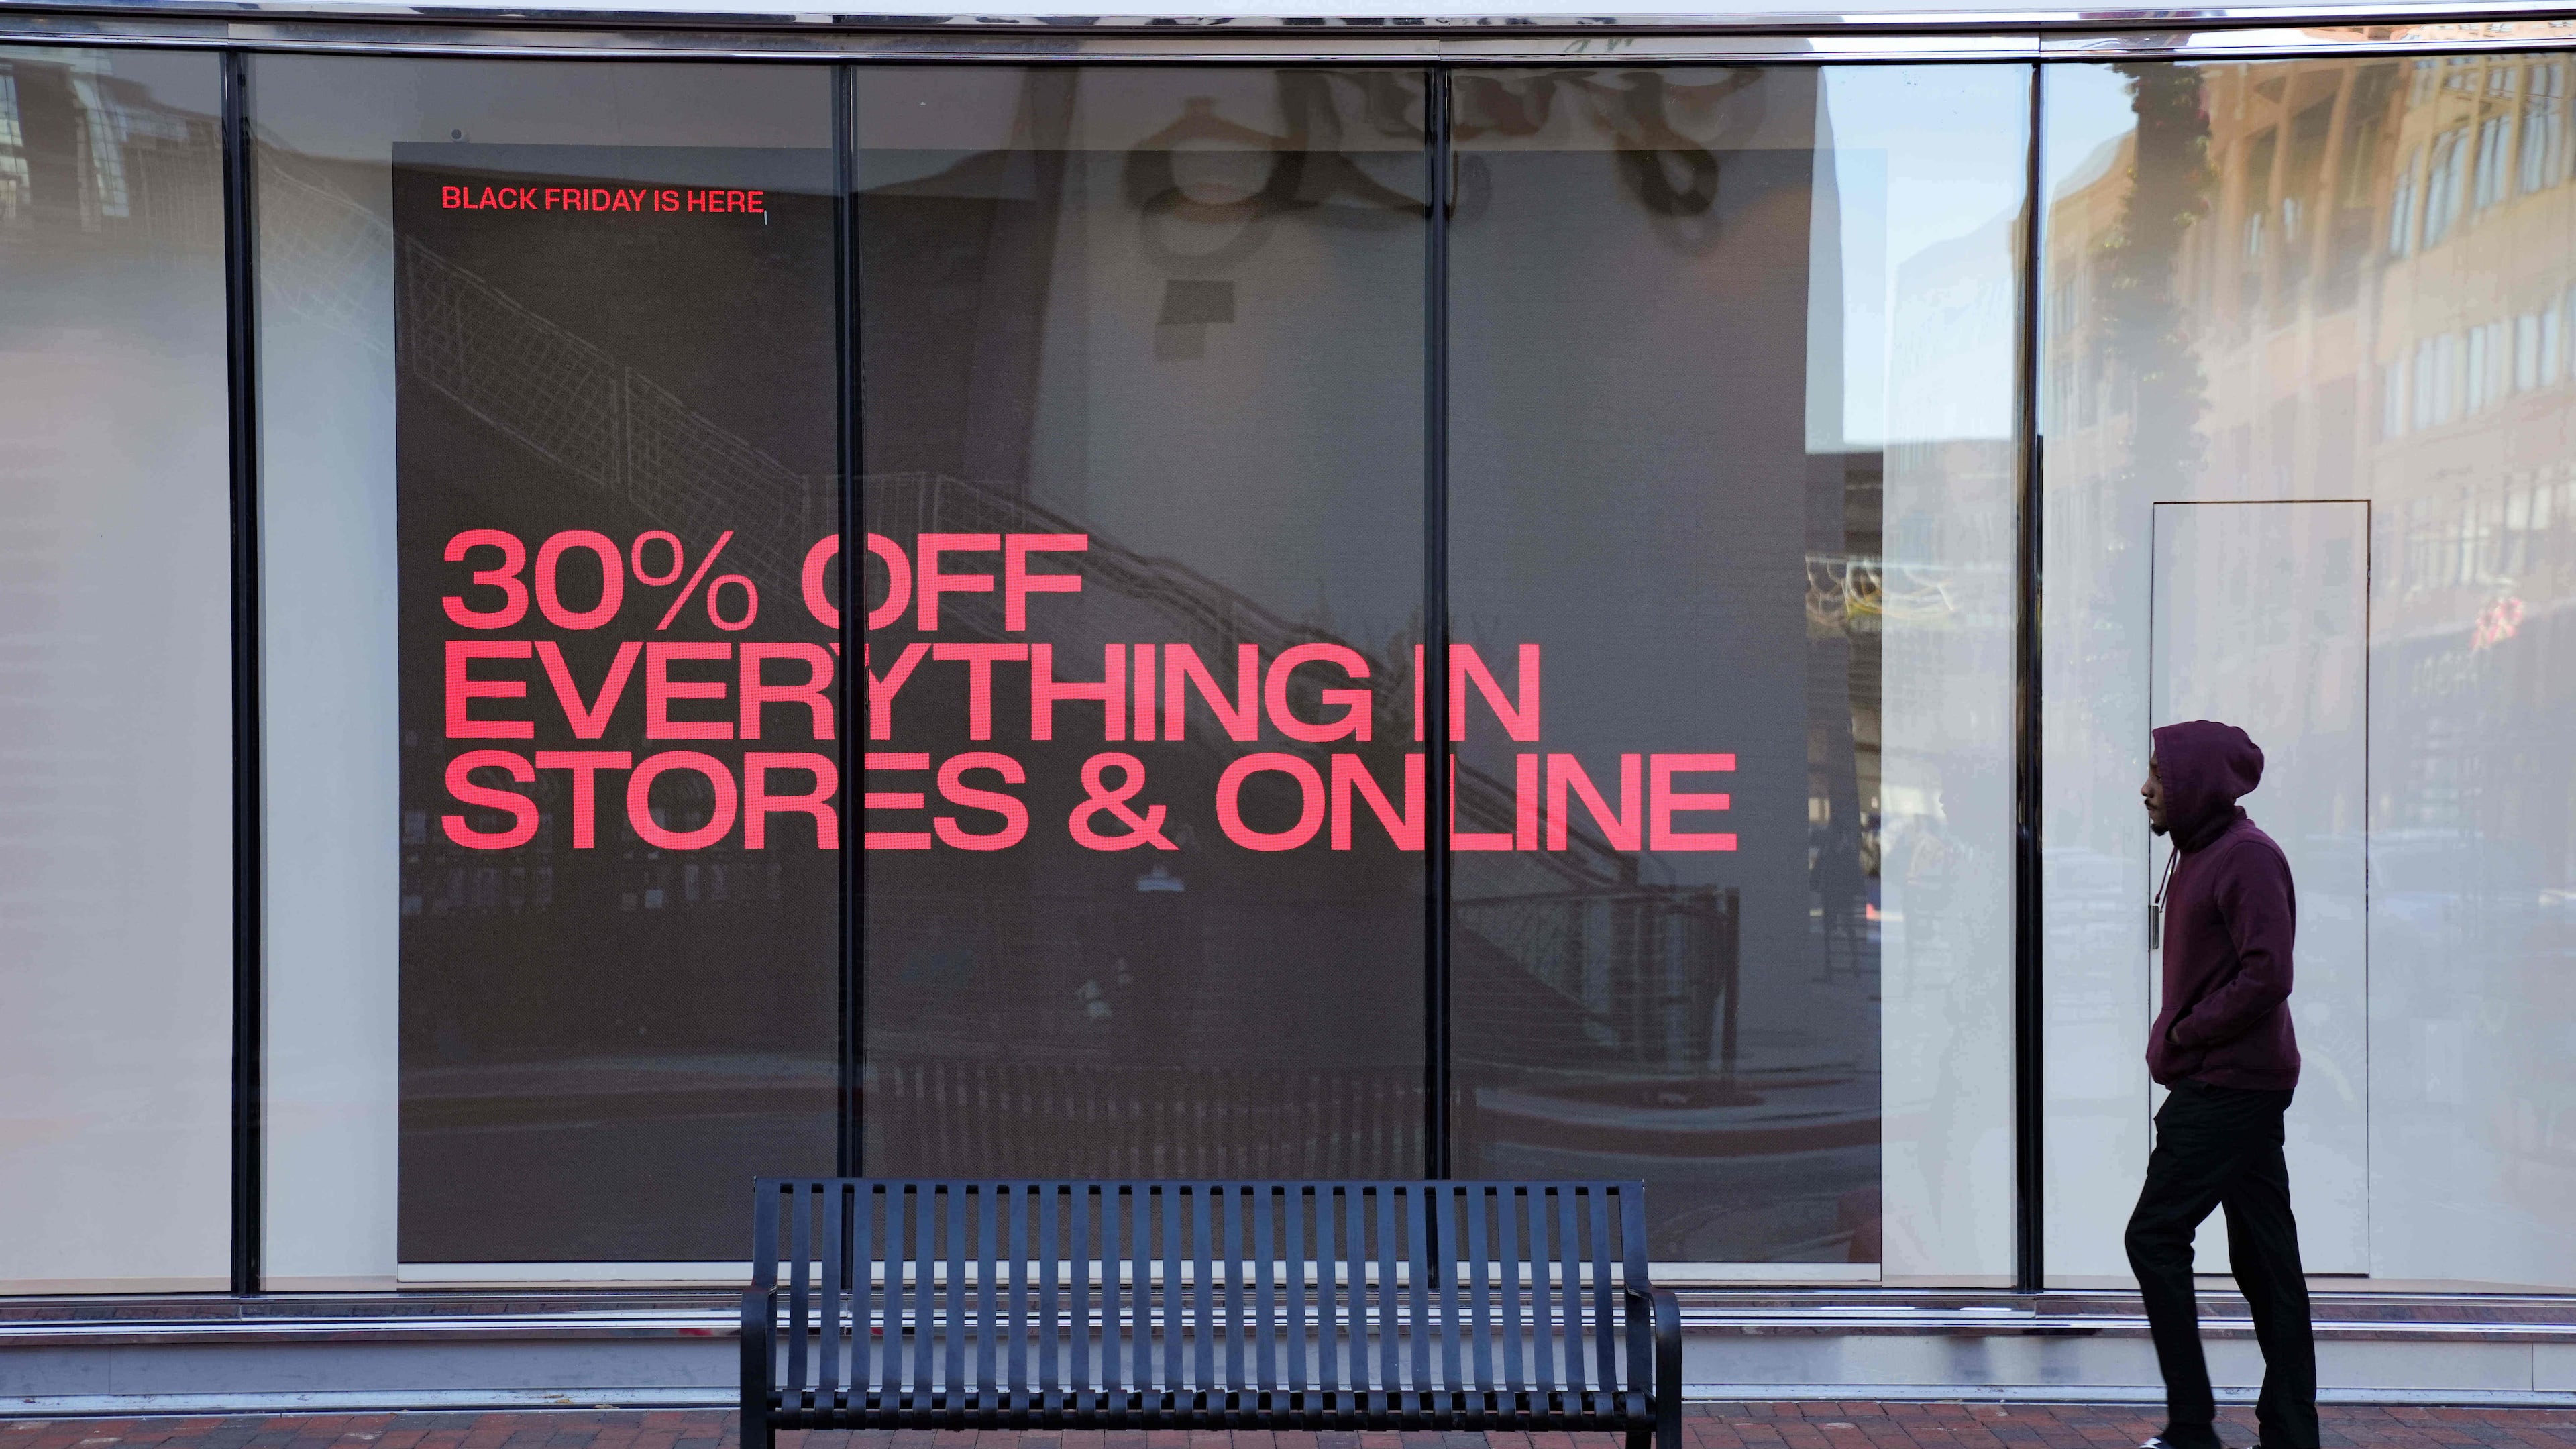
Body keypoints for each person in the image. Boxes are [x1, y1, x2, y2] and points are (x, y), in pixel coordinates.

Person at [2129, 720, 2316, 1449]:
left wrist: (2186, 1032)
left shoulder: (2247, 858)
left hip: (2229, 1085)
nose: (2146, 788)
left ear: (2198, 785)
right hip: (2231, 1080)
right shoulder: (2197, 854)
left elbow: (2269, 972)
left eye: (2160, 776)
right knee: (2266, 1261)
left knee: (2154, 1235)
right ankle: (2292, 1433)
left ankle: (2191, 1428)